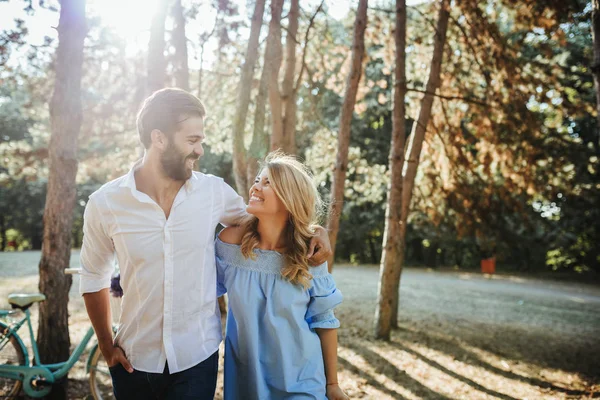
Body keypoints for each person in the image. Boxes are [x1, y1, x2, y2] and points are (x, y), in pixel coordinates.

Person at [79, 88, 332, 400]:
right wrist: (106, 344)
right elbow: (93, 276)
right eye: (192, 140)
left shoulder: (214, 192)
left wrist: (315, 230)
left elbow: (270, 218)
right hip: (134, 360)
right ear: (159, 139)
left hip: (197, 358)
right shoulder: (105, 203)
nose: (200, 150)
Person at [216, 152, 348, 400]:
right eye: (258, 180)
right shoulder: (228, 244)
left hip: (303, 382)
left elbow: (324, 320)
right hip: (247, 381)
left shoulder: (310, 253)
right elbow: (199, 287)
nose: (255, 186)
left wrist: (332, 384)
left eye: (267, 183)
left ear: (290, 197)